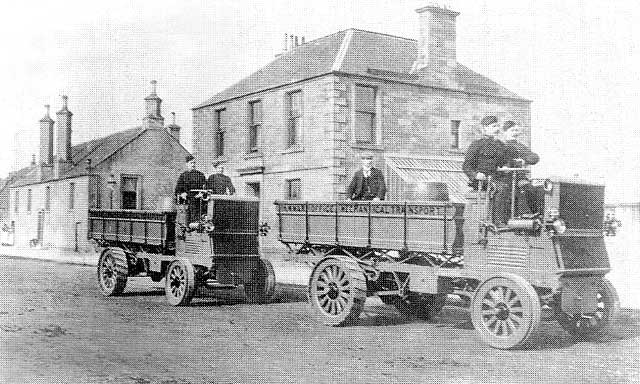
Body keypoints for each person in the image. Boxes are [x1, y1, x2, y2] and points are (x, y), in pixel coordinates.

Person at [462, 115, 509, 225]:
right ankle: (497, 221)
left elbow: (505, 162)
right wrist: (475, 175)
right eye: (493, 126)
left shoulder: (501, 146)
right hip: (481, 181)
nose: (497, 129)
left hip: (497, 178)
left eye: (497, 126)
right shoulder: (477, 145)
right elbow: (466, 166)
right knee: (501, 188)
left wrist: (505, 167)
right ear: (485, 128)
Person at [500, 121, 540, 215]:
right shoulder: (501, 145)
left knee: (531, 189)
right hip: (504, 178)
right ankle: (523, 214)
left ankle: (534, 214)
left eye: (516, 130)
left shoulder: (520, 147)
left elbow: (535, 157)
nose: (515, 133)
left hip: (519, 177)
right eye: (512, 130)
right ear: (505, 132)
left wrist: (524, 160)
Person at [175, 154, 206, 222]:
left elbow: (205, 187)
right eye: (191, 163)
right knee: (187, 219)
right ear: (187, 164)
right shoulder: (183, 176)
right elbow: (178, 189)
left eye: (194, 163)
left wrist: (201, 194)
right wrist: (182, 194)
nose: (193, 164)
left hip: (199, 201)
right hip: (187, 201)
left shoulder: (200, 175)